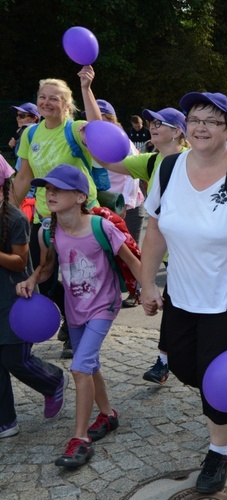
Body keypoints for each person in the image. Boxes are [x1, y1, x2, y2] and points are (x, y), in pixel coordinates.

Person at [139, 91, 227, 494]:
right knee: (183, 366)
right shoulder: (167, 169)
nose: (201, 127)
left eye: (212, 121)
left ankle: (219, 450)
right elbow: (155, 230)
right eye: (194, 119)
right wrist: (147, 283)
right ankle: (224, 399)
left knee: (218, 382)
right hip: (181, 296)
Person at [16, 164, 141, 468]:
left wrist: (149, 291)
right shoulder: (49, 230)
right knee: (90, 364)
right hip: (75, 309)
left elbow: (133, 260)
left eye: (58, 189)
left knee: (80, 367)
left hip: (103, 305)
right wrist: (32, 280)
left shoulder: (101, 227)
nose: (51, 193)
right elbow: (47, 267)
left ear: (81, 196)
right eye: (47, 188)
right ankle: (108, 415)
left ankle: (80, 438)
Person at [92, 106, 188, 384]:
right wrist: (94, 131)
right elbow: (106, 160)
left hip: (191, 246)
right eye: (150, 122)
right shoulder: (149, 161)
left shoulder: (194, 160)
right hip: (165, 244)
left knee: (178, 305)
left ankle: (172, 359)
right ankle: (164, 361)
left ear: (177, 131)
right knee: (173, 304)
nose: (152, 126)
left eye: (160, 123)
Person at [12, 67, 103, 360]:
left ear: (66, 105)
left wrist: (87, 87)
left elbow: (100, 134)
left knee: (78, 277)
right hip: (45, 217)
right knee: (46, 279)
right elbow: (24, 176)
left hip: (79, 215)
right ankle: (68, 319)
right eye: (42, 97)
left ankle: (79, 332)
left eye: (54, 99)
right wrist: (9, 212)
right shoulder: (30, 133)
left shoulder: (74, 129)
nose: (47, 102)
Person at [0, 162, 67, 440]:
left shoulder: (14, 217)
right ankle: (6, 420)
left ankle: (52, 381)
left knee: (14, 359)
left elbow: (19, 262)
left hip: (15, 299)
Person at [95, 99, 144, 307]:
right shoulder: (91, 139)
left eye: (102, 116)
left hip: (127, 206)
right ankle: (107, 293)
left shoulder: (121, 139)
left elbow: (133, 174)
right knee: (105, 254)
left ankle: (138, 292)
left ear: (111, 118)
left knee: (129, 250)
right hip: (103, 206)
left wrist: (124, 204)